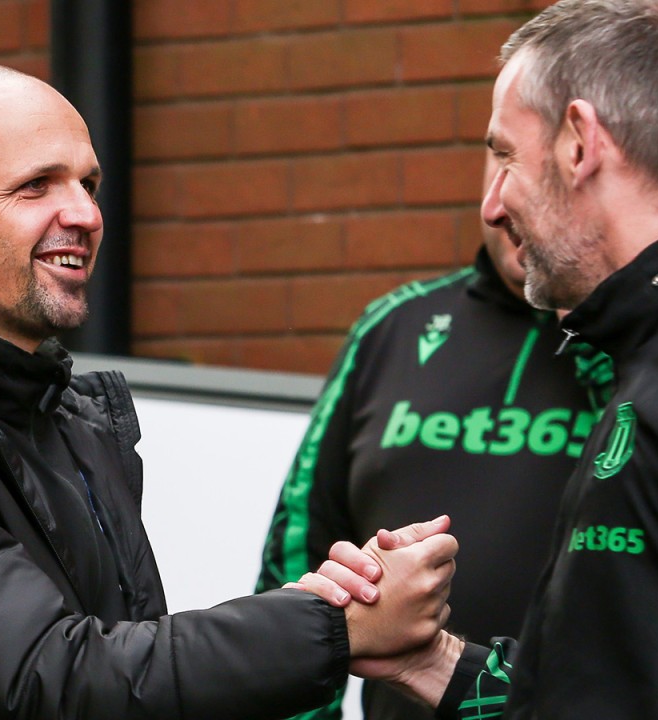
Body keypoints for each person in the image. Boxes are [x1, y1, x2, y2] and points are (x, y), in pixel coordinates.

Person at [0, 62, 459, 720]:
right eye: (35, 186)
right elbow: (54, 679)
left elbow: (120, 659)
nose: (85, 214)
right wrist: (332, 625)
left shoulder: (53, 407)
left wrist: (326, 610)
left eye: (88, 184)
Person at [312, 0, 658, 717]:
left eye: (505, 155)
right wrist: (426, 660)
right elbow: (608, 688)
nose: (493, 204)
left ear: (578, 143)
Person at [256, 153, 611, 720]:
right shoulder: (393, 326)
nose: (501, 200)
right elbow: (297, 557)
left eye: (532, 165)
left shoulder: (646, 350)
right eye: (499, 159)